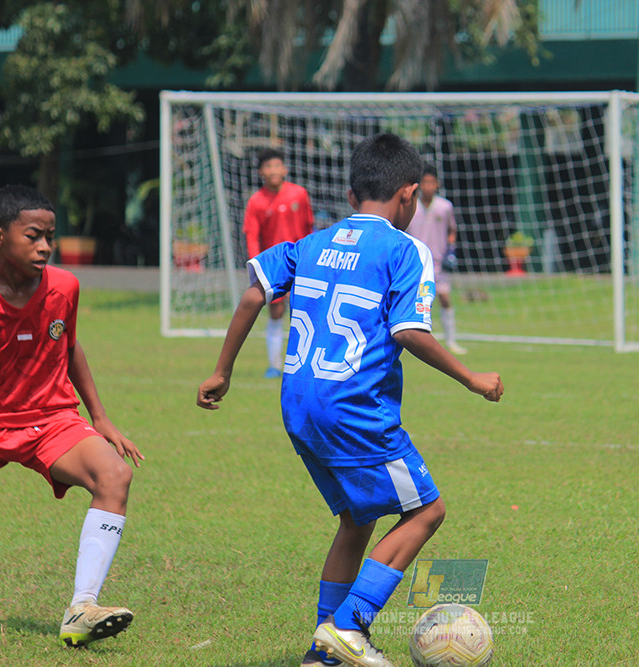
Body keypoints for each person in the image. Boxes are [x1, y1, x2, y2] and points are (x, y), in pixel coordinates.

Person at [197, 134, 504, 667]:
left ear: (350, 190)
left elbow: (254, 291)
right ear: (409, 194)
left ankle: (324, 651)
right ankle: (350, 627)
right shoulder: (406, 250)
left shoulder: (314, 242)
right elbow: (409, 331)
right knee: (427, 510)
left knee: (357, 520)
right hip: (355, 407)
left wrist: (223, 372)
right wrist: (471, 376)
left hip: (298, 405)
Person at [0, 185, 145, 647]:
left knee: (114, 475)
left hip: (49, 420)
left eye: (50, 237)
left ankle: (83, 607)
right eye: (33, 236)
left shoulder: (65, 288)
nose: (44, 247)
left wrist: (99, 416)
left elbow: (70, 347)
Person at [243, 147, 315, 378]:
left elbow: (309, 228)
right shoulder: (256, 201)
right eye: (268, 166)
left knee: (303, 312)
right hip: (275, 265)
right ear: (261, 172)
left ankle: (303, 363)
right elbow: (252, 236)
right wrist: (257, 267)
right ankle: (275, 365)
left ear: (284, 169)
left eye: (277, 165)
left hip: (302, 262)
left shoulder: (299, 194)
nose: (273, 170)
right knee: (276, 312)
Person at [405, 164, 466, 354]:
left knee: (445, 298)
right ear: (420, 184)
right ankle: (411, 342)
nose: (429, 186)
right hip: (416, 264)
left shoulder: (445, 207)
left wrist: (451, 251)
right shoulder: (411, 205)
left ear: (437, 184)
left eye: (432, 182)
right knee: (415, 303)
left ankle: (451, 340)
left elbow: (452, 230)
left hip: (438, 263)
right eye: (425, 182)